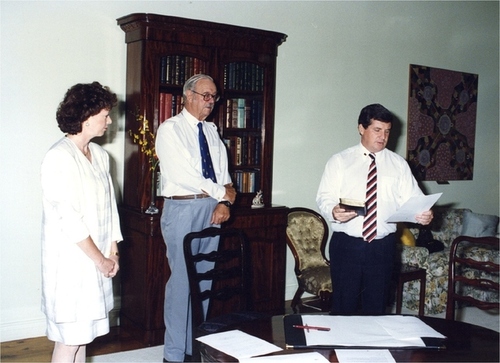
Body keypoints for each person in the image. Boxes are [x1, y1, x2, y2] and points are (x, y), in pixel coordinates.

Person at [316, 103, 433, 315]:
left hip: (383, 247)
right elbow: (324, 197)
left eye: (387, 131)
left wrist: (424, 214)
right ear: (361, 128)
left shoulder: (398, 164)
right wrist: (333, 210)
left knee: (376, 308)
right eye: (377, 130)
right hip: (347, 246)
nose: (383, 137)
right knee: (344, 307)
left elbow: (414, 199)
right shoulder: (340, 161)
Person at [155, 74, 236, 362]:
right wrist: (223, 193)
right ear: (188, 95)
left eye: (214, 96)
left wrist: (224, 202)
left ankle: (193, 348)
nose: (211, 101)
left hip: (212, 209)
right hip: (183, 209)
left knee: (204, 280)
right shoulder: (170, 130)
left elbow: (223, 172)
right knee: (181, 283)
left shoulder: (212, 131)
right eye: (206, 95)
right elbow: (183, 175)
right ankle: (174, 354)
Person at [40, 82, 122, 363]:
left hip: (98, 258)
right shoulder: (58, 157)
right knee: (69, 341)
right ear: (87, 116)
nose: (109, 121)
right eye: (106, 114)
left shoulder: (100, 156)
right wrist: (99, 260)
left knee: (83, 336)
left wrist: (113, 252)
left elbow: (110, 207)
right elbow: (69, 220)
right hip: (71, 263)